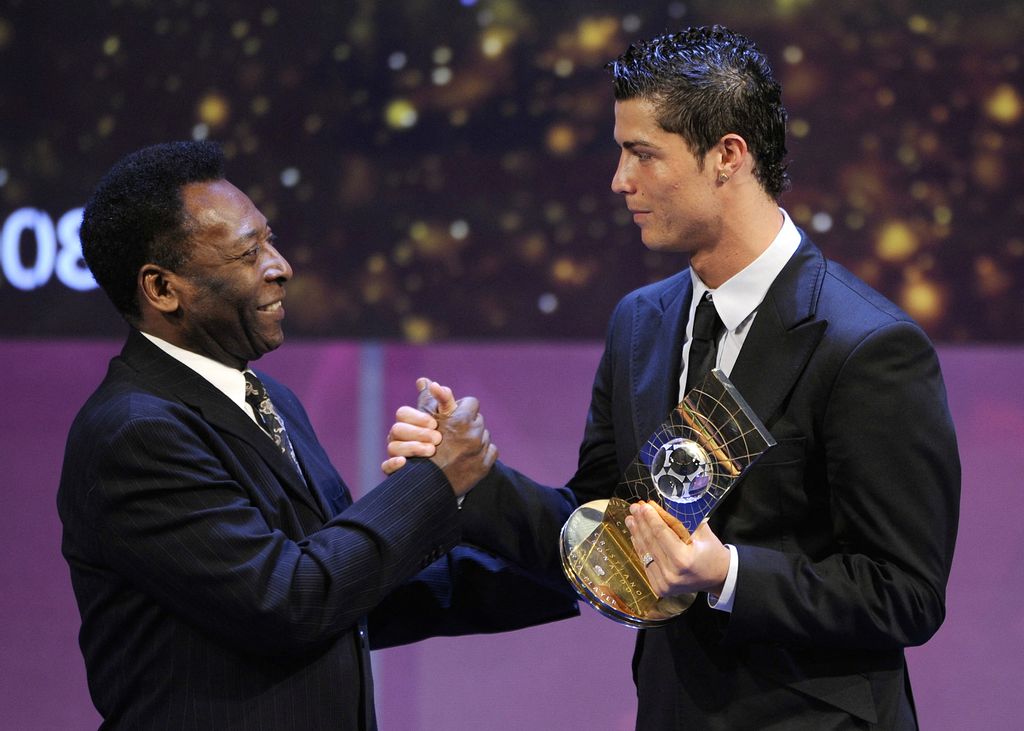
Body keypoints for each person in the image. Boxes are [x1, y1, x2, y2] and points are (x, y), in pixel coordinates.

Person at [387, 25, 961, 729]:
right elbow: (605, 536)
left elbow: (904, 592)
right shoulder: (640, 323)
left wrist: (728, 574)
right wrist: (469, 475)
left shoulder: (867, 346)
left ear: (727, 156)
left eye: (642, 154)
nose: (619, 180)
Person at [57, 140, 576, 730]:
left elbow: (352, 591)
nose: (281, 266)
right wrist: (433, 483)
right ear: (162, 289)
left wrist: (567, 571)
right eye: (248, 254)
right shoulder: (136, 433)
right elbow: (289, 601)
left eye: (269, 240)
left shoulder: (272, 401)